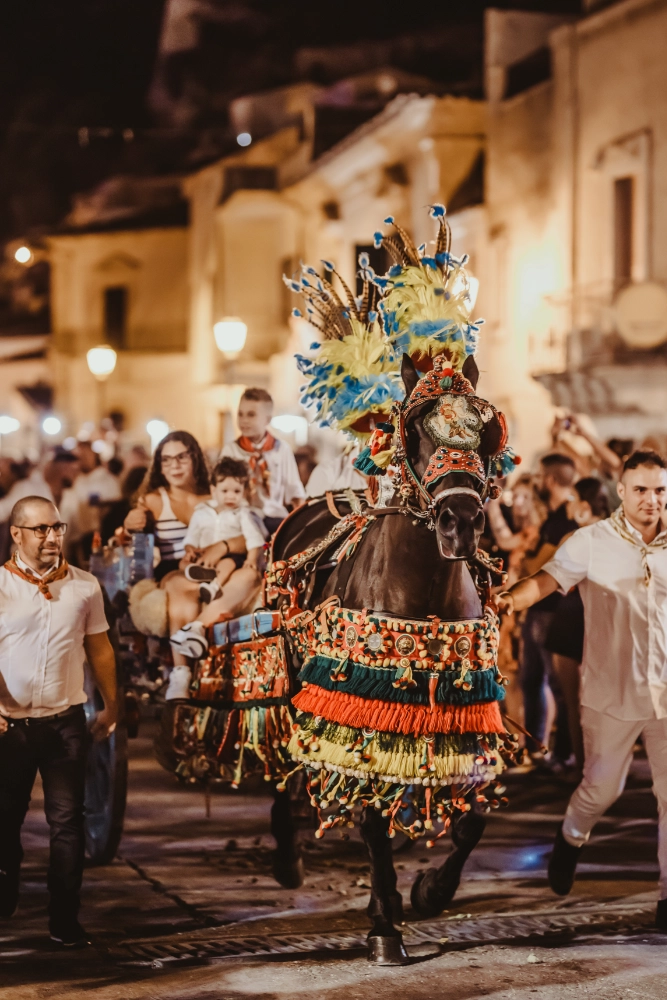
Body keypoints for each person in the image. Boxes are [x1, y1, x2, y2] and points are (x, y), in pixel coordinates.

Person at [495, 450, 667, 929]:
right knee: (600, 790)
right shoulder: (592, 542)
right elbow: (546, 581)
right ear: (622, 489)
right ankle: (571, 836)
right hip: (612, 691)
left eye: (660, 490)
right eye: (641, 490)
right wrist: (509, 599)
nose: (651, 500)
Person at [0, 496, 116, 946]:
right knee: (6, 819)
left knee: (67, 823)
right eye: (40, 529)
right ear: (17, 534)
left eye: (57, 528)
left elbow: (100, 649)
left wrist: (112, 705)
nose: (52, 537)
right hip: (11, 727)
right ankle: (6, 882)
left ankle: (64, 917)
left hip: (66, 722)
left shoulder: (85, 587)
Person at [544, 477, 611, 773]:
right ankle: (605, 767)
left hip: (574, 618)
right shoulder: (620, 536)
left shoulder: (573, 538)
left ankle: (587, 770)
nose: (568, 506)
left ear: (584, 506)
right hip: (603, 620)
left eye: (571, 499)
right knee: (602, 701)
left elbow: (550, 581)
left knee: (575, 703)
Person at [519, 453, 579, 767]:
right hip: (537, 608)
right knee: (532, 679)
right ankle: (536, 748)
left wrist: (526, 560)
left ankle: (563, 752)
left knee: (558, 684)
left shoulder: (566, 523)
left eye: (542, 476)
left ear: (551, 480)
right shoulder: (552, 518)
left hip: (552, 610)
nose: (539, 482)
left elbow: (542, 568)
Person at [179, 456, 265, 605]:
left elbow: (253, 537)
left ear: (244, 492)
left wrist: (251, 558)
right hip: (205, 554)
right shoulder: (201, 512)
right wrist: (190, 549)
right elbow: (191, 536)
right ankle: (203, 574)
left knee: (228, 563)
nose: (231, 496)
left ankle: (214, 586)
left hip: (232, 555)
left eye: (237, 491)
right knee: (183, 564)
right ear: (213, 490)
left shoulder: (242, 513)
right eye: (224, 491)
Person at [221, 388, 306, 535]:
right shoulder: (231, 451)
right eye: (240, 414)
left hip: (275, 518)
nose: (244, 420)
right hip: (242, 518)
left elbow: (295, 492)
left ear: (267, 419)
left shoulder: (281, 449)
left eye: (251, 415)